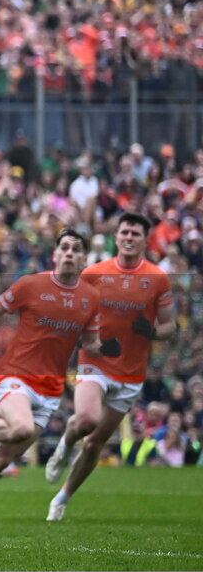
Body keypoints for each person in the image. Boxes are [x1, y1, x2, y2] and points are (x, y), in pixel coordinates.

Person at [0, 229, 122, 523]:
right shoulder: (31, 284)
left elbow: (89, 344)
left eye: (75, 249)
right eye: (64, 248)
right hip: (16, 378)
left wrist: (106, 347)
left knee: (0, 462)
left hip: (51, 391)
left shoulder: (90, 298)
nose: (69, 253)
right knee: (21, 428)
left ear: (83, 259)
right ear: (54, 255)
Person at [44, 213, 176, 520]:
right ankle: (63, 446)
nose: (129, 237)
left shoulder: (158, 278)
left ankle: (62, 497)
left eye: (135, 233)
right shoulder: (94, 273)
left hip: (131, 372)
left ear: (145, 240)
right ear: (116, 237)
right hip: (96, 361)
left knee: (95, 444)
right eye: (124, 232)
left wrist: (153, 332)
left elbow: (170, 326)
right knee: (86, 419)